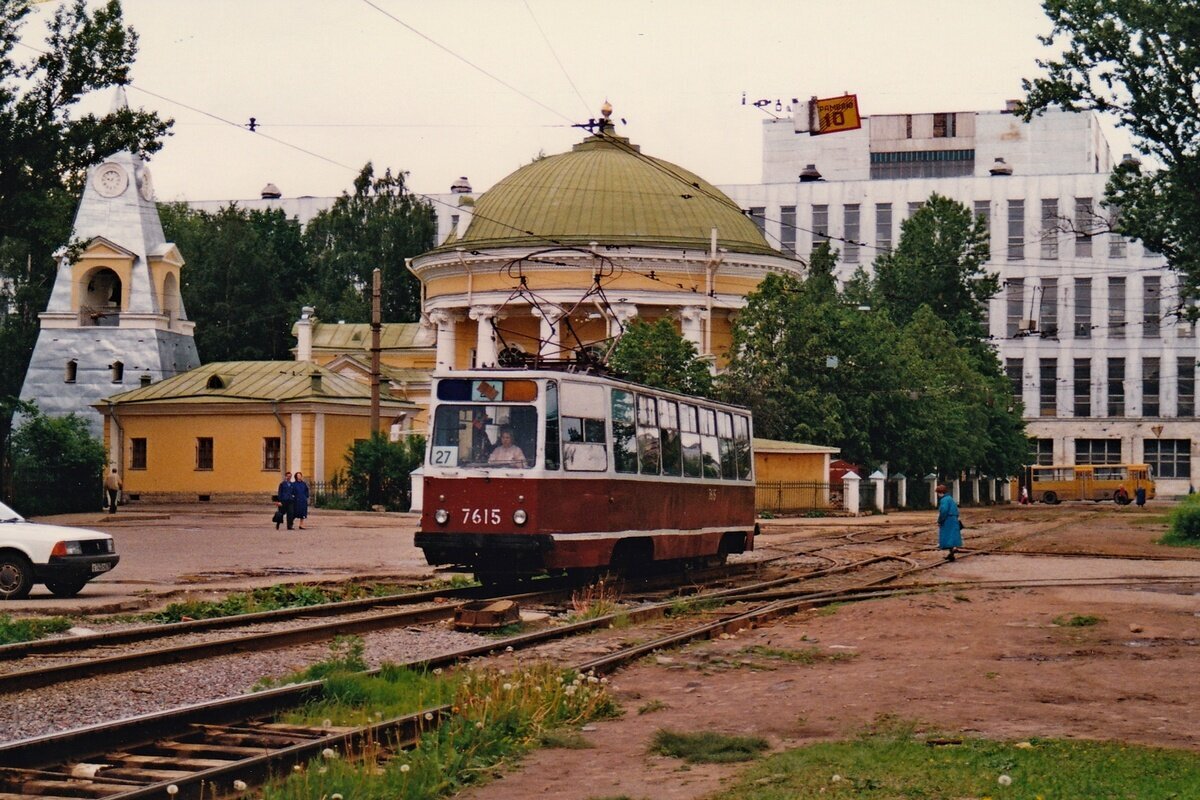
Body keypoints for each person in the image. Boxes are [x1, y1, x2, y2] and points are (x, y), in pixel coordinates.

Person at [935, 483, 962, 561]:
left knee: (947, 536)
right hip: (954, 518)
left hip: (948, 519)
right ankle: (952, 553)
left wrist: (940, 521)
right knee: (953, 535)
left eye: (938, 493)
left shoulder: (944, 500)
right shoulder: (950, 498)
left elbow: (944, 511)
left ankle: (952, 550)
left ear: (940, 492)